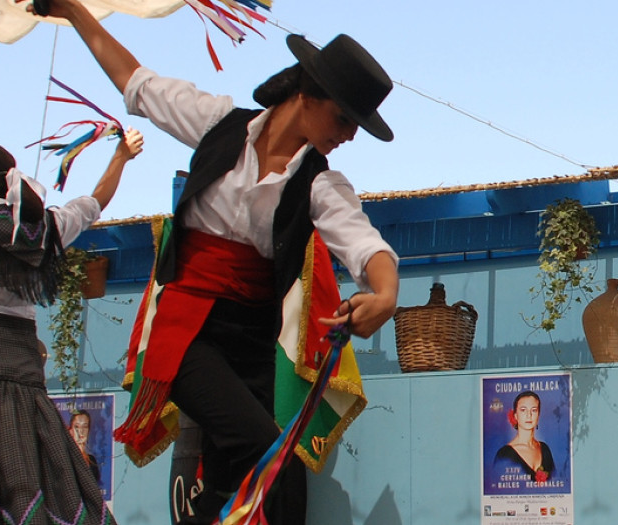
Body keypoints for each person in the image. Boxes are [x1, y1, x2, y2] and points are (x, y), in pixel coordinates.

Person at [33, 1, 402, 523]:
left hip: (251, 341)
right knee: (268, 457)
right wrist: (73, 11)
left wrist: (385, 295)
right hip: (187, 332)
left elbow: (367, 247)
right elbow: (135, 81)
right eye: (344, 117)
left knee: (229, 487)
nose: (348, 135)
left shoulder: (320, 182)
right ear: (304, 94)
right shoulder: (218, 123)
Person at [0, 128, 143, 525]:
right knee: (32, 485)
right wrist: (121, 157)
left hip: (18, 373)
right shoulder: (43, 229)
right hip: (22, 383)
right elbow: (94, 202)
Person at [493, 391, 555, 483]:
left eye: (534, 410)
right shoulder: (504, 454)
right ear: (515, 416)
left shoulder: (545, 449)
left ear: (538, 416)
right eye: (523, 410)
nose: (529, 415)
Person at [67, 409, 102, 483]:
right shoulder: (64, 459)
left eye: (85, 427)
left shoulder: (92, 460)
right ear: (70, 430)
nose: (81, 431)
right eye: (77, 427)